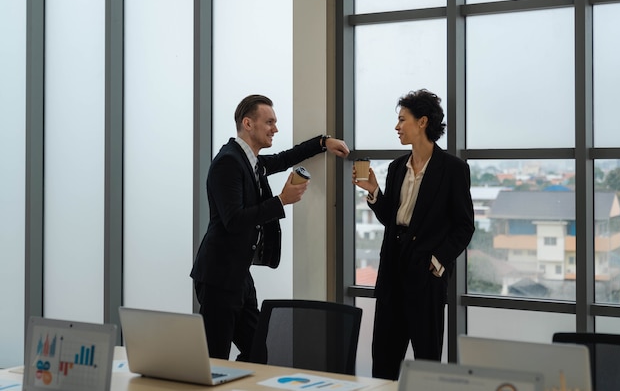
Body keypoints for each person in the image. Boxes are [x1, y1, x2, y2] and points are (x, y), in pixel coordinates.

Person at [190, 94, 350, 361]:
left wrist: (323, 142)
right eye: (270, 122)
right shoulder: (228, 162)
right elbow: (234, 220)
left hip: (238, 276)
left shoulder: (252, 161)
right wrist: (281, 201)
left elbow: (287, 157)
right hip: (219, 278)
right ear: (248, 123)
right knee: (215, 357)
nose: (275, 128)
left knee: (258, 351)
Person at [353, 89, 474, 380]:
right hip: (393, 269)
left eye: (402, 120)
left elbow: (465, 225)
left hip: (426, 274)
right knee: (383, 360)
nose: (397, 127)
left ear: (422, 122)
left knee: (426, 362)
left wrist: (438, 261)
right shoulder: (396, 168)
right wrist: (374, 193)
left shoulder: (453, 169)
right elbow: (391, 220)